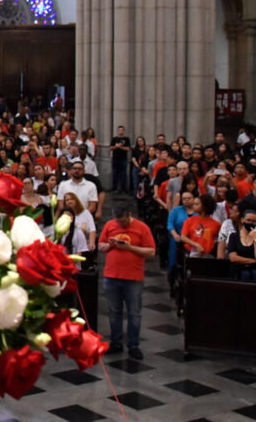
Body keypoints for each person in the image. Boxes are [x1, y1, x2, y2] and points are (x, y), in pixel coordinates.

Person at [97, 201, 156, 360]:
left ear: (129, 215)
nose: (120, 224)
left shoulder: (142, 228)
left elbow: (151, 252)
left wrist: (130, 248)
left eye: (122, 221)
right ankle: (115, 342)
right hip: (111, 276)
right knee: (114, 312)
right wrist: (109, 245)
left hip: (133, 278)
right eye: (117, 221)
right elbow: (100, 246)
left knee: (134, 313)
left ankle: (134, 345)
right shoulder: (110, 225)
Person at [226, 209, 256, 281]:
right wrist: (254, 261)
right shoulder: (234, 236)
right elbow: (233, 258)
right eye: (248, 220)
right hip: (238, 269)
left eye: (254, 221)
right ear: (242, 220)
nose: (251, 223)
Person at [109, 125, 131, 192]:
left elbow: (127, 149)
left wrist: (120, 147)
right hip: (115, 159)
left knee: (123, 174)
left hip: (123, 159)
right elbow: (110, 148)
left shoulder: (127, 139)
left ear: (124, 131)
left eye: (122, 130)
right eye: (119, 130)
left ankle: (124, 189)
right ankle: (114, 188)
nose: (120, 131)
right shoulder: (114, 139)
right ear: (117, 131)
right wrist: (116, 147)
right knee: (115, 174)